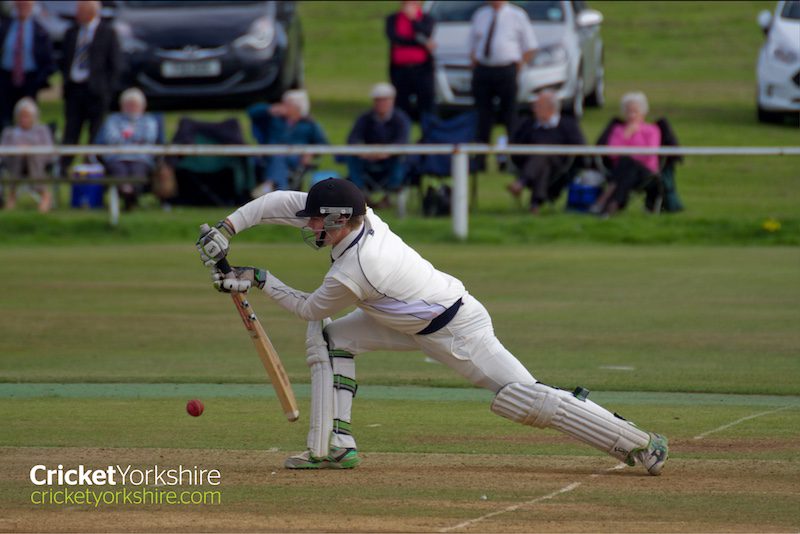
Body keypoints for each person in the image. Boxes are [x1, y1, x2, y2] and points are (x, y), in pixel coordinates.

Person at [196, 178, 669, 475]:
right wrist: (228, 229)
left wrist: (258, 280)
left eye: (318, 221)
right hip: (399, 319)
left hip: (457, 330)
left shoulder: (356, 268)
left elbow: (309, 308)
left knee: (521, 397)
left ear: (340, 220)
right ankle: (332, 447)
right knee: (332, 338)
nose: (310, 226)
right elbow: (279, 202)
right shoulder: (362, 215)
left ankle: (639, 444)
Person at [469, 0, 537, 169]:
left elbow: (530, 46)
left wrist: (519, 65)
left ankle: (513, 159)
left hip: (506, 69)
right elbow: (472, 44)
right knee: (482, 117)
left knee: (510, 116)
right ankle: (480, 159)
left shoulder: (517, 15)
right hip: (484, 70)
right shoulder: (480, 15)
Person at [59, 0, 120, 173]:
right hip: (74, 89)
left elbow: (115, 64)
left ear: (93, 12)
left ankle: (92, 166)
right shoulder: (71, 32)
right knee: (71, 130)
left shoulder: (107, 33)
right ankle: (64, 167)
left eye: (81, 10)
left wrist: (106, 89)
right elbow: (64, 60)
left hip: (97, 91)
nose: (77, 14)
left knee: (96, 131)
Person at [507, 91, 586, 213]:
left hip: (560, 166)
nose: (534, 109)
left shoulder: (567, 124)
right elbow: (515, 144)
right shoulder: (529, 124)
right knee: (543, 163)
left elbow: (580, 147)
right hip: (530, 164)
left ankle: (521, 182)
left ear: (550, 108)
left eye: (538, 106)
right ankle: (535, 205)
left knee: (543, 154)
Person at [590, 92, 661, 216]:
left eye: (635, 111)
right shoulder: (618, 130)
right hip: (623, 172)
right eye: (629, 111)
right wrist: (626, 135)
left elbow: (648, 155)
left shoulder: (652, 130)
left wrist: (632, 142)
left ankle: (605, 199)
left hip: (645, 172)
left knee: (627, 161)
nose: (632, 115)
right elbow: (612, 154)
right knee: (627, 164)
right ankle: (614, 205)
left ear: (643, 113)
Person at [247, 89, 328, 193]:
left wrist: (311, 152)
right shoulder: (274, 119)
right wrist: (269, 109)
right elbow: (251, 112)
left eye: (288, 104)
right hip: (271, 154)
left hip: (296, 157)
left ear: (297, 107)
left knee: (279, 157)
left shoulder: (309, 124)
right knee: (278, 156)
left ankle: (270, 186)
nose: (283, 106)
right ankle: (279, 189)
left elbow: (323, 144)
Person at [346, 83, 411, 208]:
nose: (381, 103)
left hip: (390, 160)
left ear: (392, 101)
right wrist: (365, 152)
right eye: (378, 100)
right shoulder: (365, 118)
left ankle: (390, 193)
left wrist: (385, 152)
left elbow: (402, 141)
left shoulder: (401, 119)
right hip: (367, 159)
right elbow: (352, 139)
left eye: (384, 100)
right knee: (352, 158)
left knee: (401, 160)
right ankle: (361, 194)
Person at [96, 88, 160, 211]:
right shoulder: (113, 120)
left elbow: (149, 137)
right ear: (122, 106)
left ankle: (131, 196)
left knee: (138, 172)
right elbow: (111, 138)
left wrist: (127, 136)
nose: (131, 108)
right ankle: (127, 193)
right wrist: (135, 138)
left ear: (142, 106)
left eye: (135, 105)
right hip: (117, 157)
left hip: (141, 158)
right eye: (128, 105)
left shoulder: (149, 121)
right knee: (119, 170)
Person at [0, 0, 56, 130]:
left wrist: (40, 79)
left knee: (26, 116)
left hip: (30, 80)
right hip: (6, 79)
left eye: (26, 4)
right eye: (20, 4)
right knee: (4, 118)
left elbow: (49, 60)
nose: (22, 7)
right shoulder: (5, 26)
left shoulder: (40, 30)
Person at [0, 97, 54, 212]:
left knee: (31, 155)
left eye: (27, 116)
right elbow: (2, 153)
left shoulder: (42, 130)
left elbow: (50, 151)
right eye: (21, 116)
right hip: (14, 163)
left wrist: (31, 149)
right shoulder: (9, 132)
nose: (24, 119)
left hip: (37, 163)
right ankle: (12, 194)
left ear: (34, 117)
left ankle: (44, 194)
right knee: (19, 155)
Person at [385, 1, 436, 122]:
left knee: (426, 102)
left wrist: (413, 20)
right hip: (400, 69)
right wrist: (420, 42)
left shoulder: (426, 19)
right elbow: (395, 38)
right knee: (401, 102)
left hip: (422, 69)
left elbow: (425, 32)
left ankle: (428, 135)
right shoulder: (393, 19)